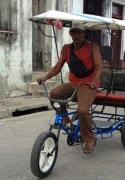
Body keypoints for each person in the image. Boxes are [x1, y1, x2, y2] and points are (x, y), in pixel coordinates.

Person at [37, 22, 102, 153]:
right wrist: (44, 77)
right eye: (74, 32)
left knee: (83, 110)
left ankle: (89, 139)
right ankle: (66, 121)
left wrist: (94, 81)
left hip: (89, 85)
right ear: (70, 33)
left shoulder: (92, 46)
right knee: (54, 94)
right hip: (74, 83)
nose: (76, 35)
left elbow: (99, 66)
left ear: (84, 33)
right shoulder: (66, 49)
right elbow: (57, 68)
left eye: (79, 32)